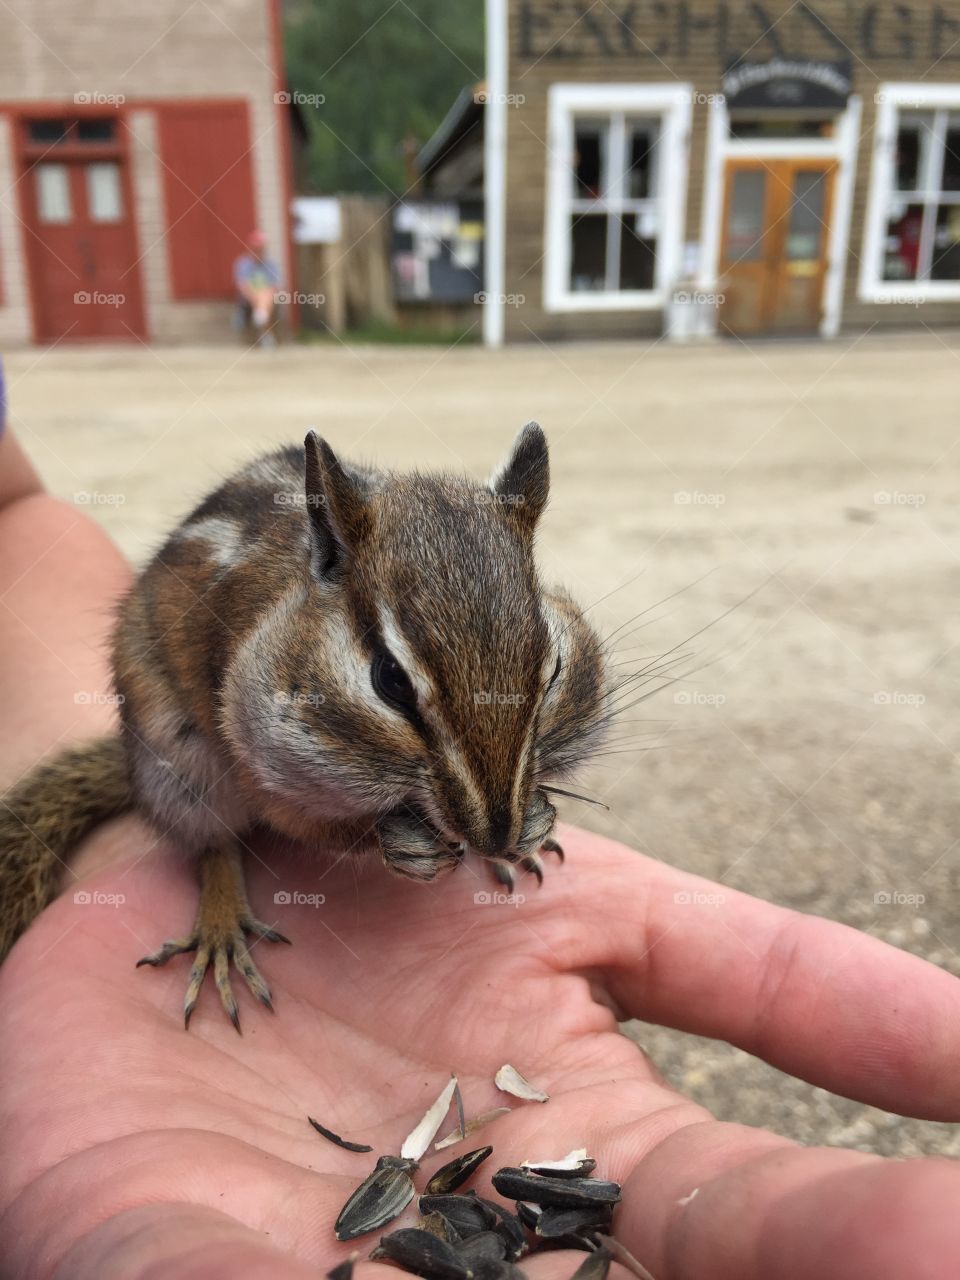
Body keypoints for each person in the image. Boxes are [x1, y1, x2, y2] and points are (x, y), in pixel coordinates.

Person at [1, 398, 960, 1276]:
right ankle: (216, 884)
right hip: (199, 740)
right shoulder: (284, 666)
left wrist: (489, 792)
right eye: (394, 690)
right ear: (333, 563)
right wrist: (358, 838)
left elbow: (15, 508)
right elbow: (280, 790)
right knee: (203, 787)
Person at [233, 229, 282, 347]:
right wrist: (256, 298)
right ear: (251, 248)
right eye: (256, 248)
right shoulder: (243, 264)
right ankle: (265, 330)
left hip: (268, 297)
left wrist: (262, 296)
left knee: (266, 294)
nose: (259, 251)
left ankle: (261, 317)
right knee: (261, 296)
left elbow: (275, 286)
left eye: (261, 248)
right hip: (248, 298)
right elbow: (242, 286)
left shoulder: (271, 264)